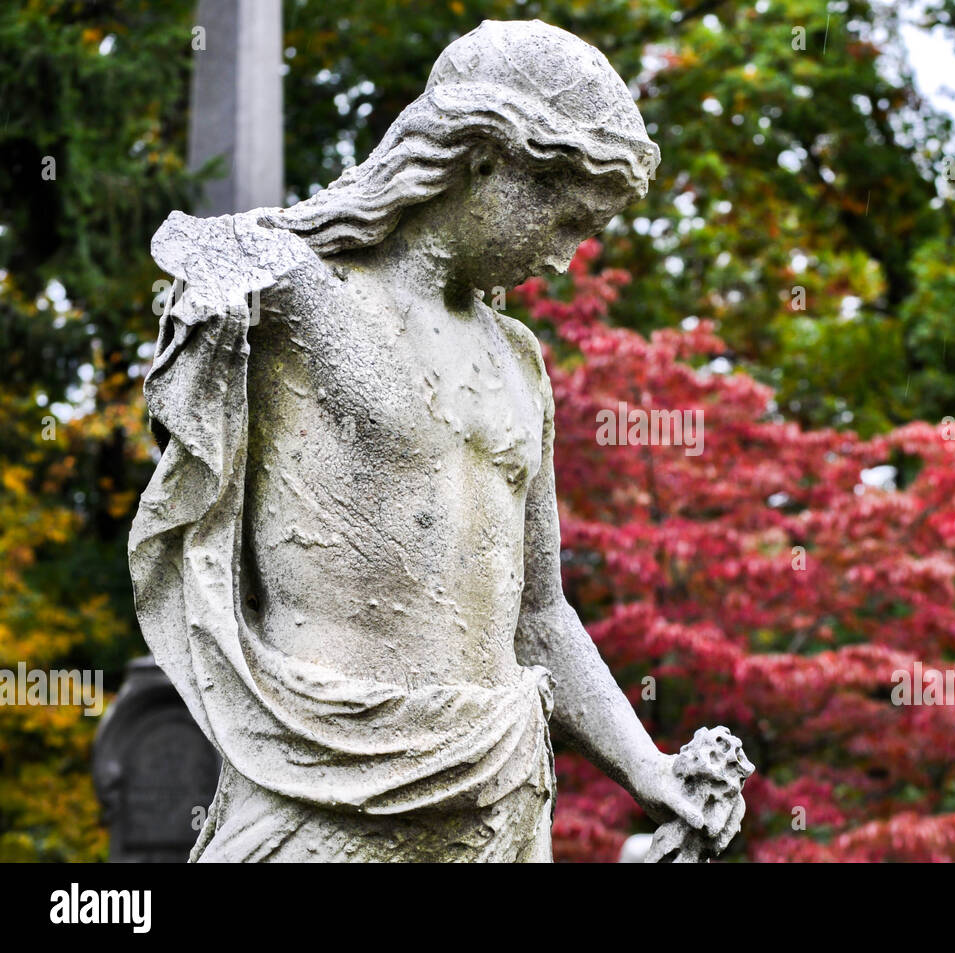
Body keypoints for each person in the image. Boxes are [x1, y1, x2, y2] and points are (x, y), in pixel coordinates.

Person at [130, 20, 735, 862]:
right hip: (327, 779)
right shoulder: (296, 294)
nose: (563, 257)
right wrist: (225, 282)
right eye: (560, 218)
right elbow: (198, 258)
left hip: (497, 790)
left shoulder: (519, 362)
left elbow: (541, 612)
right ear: (482, 159)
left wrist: (649, 768)